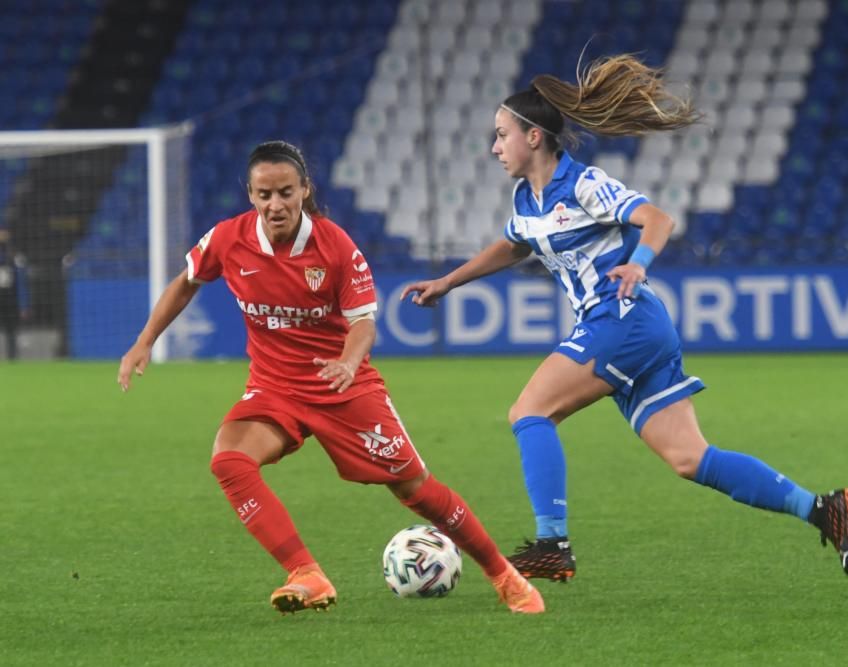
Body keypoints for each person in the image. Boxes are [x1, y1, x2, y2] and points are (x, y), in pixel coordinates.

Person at [401, 55, 848, 581]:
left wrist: (637, 265)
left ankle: (552, 542)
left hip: (620, 319)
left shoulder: (583, 184)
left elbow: (656, 220)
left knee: (529, 413)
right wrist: (447, 282)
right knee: (692, 459)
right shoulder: (526, 198)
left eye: (501, 134)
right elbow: (512, 246)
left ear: (533, 137)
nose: (494, 146)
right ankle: (823, 510)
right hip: (634, 329)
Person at [118, 141, 544, 614]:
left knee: (415, 488)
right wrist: (145, 340)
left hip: (344, 388)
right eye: (264, 194)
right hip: (274, 387)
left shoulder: (334, 245)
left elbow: (364, 322)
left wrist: (346, 361)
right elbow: (187, 280)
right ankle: (306, 573)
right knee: (229, 460)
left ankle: (503, 574)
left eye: (285, 192)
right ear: (251, 194)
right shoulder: (227, 238)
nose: (274, 204)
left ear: (304, 190)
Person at [0, 230, 20, 360]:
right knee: (10, 329)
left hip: (9, 299)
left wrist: (23, 304)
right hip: (6, 297)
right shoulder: (10, 257)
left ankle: (12, 357)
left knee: (11, 330)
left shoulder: (12, 258)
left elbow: (20, 282)